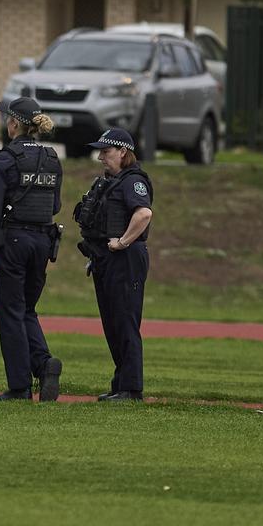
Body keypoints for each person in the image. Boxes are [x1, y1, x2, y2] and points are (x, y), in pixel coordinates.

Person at [0, 97, 64, 401]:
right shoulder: (52, 158)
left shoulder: (5, 159)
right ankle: (43, 363)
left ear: (14, 123)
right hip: (43, 241)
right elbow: (55, 205)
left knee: (10, 312)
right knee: (27, 308)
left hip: (14, 240)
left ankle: (19, 386)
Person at [73, 128, 153, 402]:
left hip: (125, 258)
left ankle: (131, 389)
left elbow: (143, 214)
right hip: (106, 259)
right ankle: (121, 384)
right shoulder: (112, 182)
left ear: (122, 152)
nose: (100, 157)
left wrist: (123, 242)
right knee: (112, 322)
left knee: (125, 321)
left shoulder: (133, 182)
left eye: (105, 152)